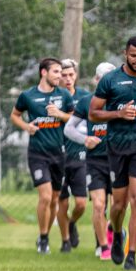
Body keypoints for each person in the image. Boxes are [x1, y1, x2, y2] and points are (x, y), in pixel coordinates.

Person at [89, 36, 136, 270]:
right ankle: (117, 231)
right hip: (117, 147)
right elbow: (93, 113)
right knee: (119, 205)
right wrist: (118, 114)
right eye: (134, 55)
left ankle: (131, 256)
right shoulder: (110, 80)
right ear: (125, 54)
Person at [10, 58, 75, 254]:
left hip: (59, 154)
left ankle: (48, 236)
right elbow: (14, 115)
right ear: (43, 73)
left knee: (55, 199)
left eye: (61, 72)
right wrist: (26, 127)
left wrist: (60, 115)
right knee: (45, 197)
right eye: (56, 72)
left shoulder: (64, 95)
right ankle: (43, 238)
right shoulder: (28, 96)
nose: (60, 76)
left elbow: (74, 118)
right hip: (37, 154)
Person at [64, 61, 116, 260]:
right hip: (95, 161)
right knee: (98, 205)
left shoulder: (121, 101)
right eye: (103, 79)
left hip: (118, 159)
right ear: (96, 80)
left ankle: (114, 232)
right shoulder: (87, 102)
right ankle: (103, 247)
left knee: (118, 207)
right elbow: (69, 129)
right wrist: (85, 139)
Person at [56, 58, 91, 253]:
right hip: (58, 157)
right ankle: (65, 241)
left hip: (80, 156)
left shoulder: (85, 97)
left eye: (71, 75)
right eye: (63, 75)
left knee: (81, 203)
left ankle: (71, 223)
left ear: (76, 75)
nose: (67, 79)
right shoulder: (53, 98)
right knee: (61, 201)